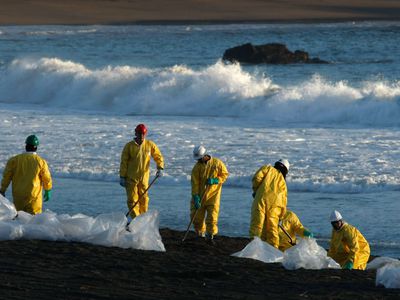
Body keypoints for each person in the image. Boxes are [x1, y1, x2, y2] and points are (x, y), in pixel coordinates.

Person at [119, 123, 164, 219]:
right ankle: (136, 219)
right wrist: (122, 176)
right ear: (136, 133)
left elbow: (158, 156)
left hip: (144, 179)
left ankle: (143, 218)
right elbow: (124, 162)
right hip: (131, 178)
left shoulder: (149, 145)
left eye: (143, 133)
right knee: (132, 200)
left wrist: (160, 167)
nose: (141, 136)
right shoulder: (129, 146)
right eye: (139, 133)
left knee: (144, 199)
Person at [0, 135, 52, 215]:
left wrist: (2, 190)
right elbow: (46, 178)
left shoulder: (14, 160)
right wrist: (48, 190)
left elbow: (7, 176)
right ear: (36, 147)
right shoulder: (40, 161)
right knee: (34, 221)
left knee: (19, 219)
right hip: (34, 197)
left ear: (26, 146)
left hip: (18, 196)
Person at [249, 158, 290, 248]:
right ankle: (273, 250)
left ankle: (254, 247)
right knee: (272, 229)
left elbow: (257, 178)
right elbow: (284, 201)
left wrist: (256, 191)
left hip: (261, 200)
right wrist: (281, 215)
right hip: (275, 206)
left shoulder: (267, 169)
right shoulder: (283, 182)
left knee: (257, 225)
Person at [190, 145, 228, 242]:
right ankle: (200, 234)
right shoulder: (196, 168)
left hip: (213, 196)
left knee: (212, 218)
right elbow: (195, 184)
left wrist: (216, 180)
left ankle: (210, 235)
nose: (198, 161)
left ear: (204, 155)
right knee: (196, 218)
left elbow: (225, 175)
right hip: (200, 196)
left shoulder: (217, 163)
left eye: (199, 158)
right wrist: (195, 196)